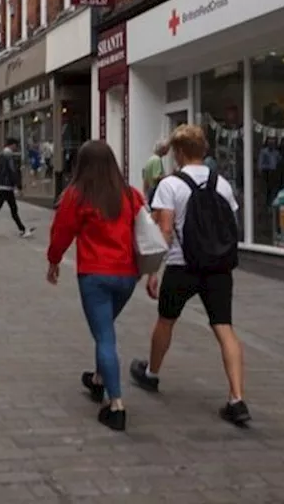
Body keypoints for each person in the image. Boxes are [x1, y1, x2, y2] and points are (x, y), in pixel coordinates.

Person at [129, 124, 249, 425]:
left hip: (183, 265)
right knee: (224, 327)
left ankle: (152, 373)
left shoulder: (171, 185)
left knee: (166, 320)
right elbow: (230, 223)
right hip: (218, 268)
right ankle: (237, 398)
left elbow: (165, 230)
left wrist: (153, 270)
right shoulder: (221, 183)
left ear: (180, 153)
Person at [46, 140, 146, 432]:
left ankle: (115, 404)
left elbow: (62, 232)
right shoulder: (129, 194)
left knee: (104, 336)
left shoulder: (77, 196)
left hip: (95, 275)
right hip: (127, 275)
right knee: (106, 330)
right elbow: (143, 226)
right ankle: (99, 379)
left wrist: (53, 261)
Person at [0, 137, 34, 239]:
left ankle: (22, 229)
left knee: (7, 209)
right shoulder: (9, 157)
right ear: (12, 145)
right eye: (16, 146)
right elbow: (13, 172)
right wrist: (18, 185)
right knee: (6, 209)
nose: (16, 148)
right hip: (7, 187)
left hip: (1, 187)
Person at [142, 138, 169, 205]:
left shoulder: (151, 159)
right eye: (167, 148)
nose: (168, 151)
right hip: (154, 190)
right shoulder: (157, 160)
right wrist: (169, 177)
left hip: (149, 191)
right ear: (162, 148)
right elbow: (156, 177)